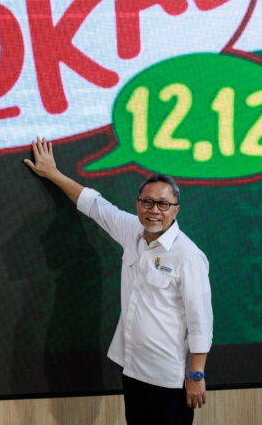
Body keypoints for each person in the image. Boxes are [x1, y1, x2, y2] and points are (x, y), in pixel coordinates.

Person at [24, 138, 212, 425]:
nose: (154, 210)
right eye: (147, 202)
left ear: (176, 209)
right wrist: (53, 174)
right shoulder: (132, 231)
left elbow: (200, 321)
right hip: (133, 370)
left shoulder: (188, 255)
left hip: (170, 378)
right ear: (138, 204)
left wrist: (196, 374)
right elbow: (94, 205)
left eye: (163, 204)